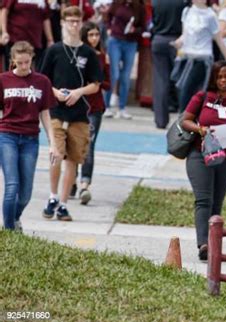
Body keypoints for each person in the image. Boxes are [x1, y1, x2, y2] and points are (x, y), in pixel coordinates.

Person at [40, 6, 102, 221]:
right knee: (56, 153)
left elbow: (95, 84)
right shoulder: (54, 50)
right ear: (63, 23)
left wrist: (78, 92)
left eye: (77, 21)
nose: (74, 25)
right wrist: (56, 92)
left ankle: (64, 204)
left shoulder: (88, 53)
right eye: (70, 21)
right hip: (56, 111)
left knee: (73, 160)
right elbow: (43, 79)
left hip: (78, 112)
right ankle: (52, 196)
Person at [182, 61, 226, 261]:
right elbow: (185, 120)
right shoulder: (202, 97)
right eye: (219, 77)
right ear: (213, 79)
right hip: (200, 156)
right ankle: (203, 244)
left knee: (217, 203)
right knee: (204, 200)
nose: (223, 80)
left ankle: (213, 244)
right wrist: (200, 129)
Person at [0, 41, 59, 231]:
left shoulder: (42, 82)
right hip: (7, 136)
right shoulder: (3, 80)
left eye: (27, 62)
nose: (24, 67)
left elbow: (45, 115)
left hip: (30, 139)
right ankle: (9, 230)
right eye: (20, 63)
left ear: (32, 59)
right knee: (12, 185)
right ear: (13, 61)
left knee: (25, 193)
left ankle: (15, 217)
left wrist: (53, 143)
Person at [70, 21, 111, 205]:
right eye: (91, 35)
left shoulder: (102, 57)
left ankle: (85, 184)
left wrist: (98, 80)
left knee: (89, 146)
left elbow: (108, 83)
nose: (94, 38)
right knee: (72, 143)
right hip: (75, 106)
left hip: (95, 108)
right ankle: (71, 179)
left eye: (97, 35)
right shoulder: (76, 55)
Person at [172, 0, 226, 112]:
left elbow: (219, 39)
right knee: (184, 90)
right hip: (186, 59)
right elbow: (185, 34)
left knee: (188, 91)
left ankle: (184, 120)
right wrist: (178, 42)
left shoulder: (210, 15)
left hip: (203, 59)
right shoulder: (187, 11)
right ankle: (186, 121)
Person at [103, 0, 146, 119]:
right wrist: (109, 28)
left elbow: (143, 27)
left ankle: (122, 108)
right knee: (113, 74)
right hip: (115, 40)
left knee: (125, 76)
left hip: (130, 42)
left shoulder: (139, 7)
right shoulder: (117, 3)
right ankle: (106, 106)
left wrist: (135, 30)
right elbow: (108, 16)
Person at [150, 0, 186, 129]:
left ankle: (160, 120)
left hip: (159, 39)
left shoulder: (156, 2)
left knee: (160, 81)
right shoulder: (183, 3)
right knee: (181, 80)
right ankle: (184, 118)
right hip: (177, 41)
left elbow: (153, 21)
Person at [0, 0, 55, 70]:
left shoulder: (43, 1)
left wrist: (50, 40)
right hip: (14, 39)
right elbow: (4, 11)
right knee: (13, 69)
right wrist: (4, 32)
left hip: (35, 41)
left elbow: (46, 19)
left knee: (33, 71)